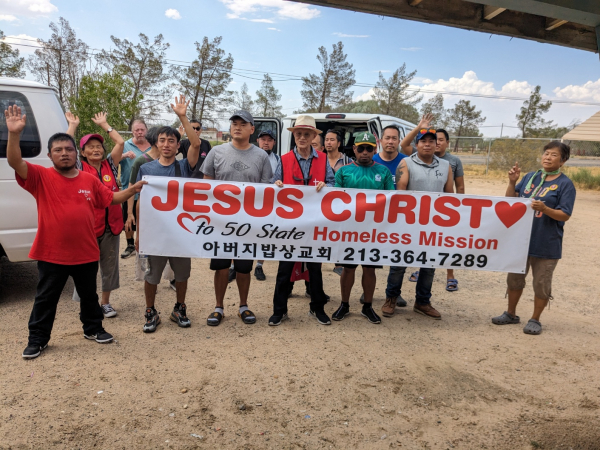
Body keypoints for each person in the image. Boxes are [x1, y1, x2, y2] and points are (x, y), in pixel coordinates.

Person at [5, 105, 145, 359]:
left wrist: (131, 190)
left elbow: (111, 199)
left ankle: (93, 329)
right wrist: (14, 134)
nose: (64, 154)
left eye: (69, 149)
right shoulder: (40, 176)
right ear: (50, 155)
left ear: (75, 153)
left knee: (89, 296)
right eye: (58, 150)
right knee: (45, 299)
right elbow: (15, 161)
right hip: (51, 253)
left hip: (86, 252)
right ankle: (37, 340)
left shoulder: (89, 180)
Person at [492, 142, 576, 335]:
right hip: (520, 241)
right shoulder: (531, 177)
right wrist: (512, 182)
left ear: (563, 161)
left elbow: (565, 215)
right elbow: (511, 200)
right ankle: (511, 313)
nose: (547, 157)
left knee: (541, 284)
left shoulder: (565, 184)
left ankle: (535, 319)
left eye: (554, 155)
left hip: (546, 243)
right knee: (514, 279)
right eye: (546, 153)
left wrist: (545, 209)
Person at [200, 110, 273, 326]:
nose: (237, 127)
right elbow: (206, 187)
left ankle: (243, 306)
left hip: (248, 223)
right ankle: (218, 307)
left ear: (252, 129)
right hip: (221, 222)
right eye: (234, 123)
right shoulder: (216, 152)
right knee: (221, 267)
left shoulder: (261, 156)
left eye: (243, 124)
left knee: (244, 267)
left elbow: (265, 191)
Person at [135, 96, 200, 333]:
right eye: (162, 140)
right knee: (151, 276)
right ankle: (151, 311)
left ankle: (179, 308)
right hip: (155, 232)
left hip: (181, 231)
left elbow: (195, 146)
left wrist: (182, 115)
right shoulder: (146, 169)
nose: (166, 144)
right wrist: (139, 234)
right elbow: (141, 202)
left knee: (182, 274)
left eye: (171, 141)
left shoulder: (184, 166)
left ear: (176, 144)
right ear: (156, 143)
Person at [268, 115, 334, 327]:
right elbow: (273, 184)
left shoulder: (323, 160)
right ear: (294, 135)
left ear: (314, 136)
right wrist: (276, 183)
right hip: (290, 224)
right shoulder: (284, 159)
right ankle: (279, 311)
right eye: (299, 134)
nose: (302, 137)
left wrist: (326, 185)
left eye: (307, 134)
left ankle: (317, 307)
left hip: (314, 223)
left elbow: (332, 185)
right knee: (284, 269)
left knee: (315, 268)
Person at [65, 112, 126, 318]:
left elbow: (120, 141)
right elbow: (65, 148)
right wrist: (72, 126)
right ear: (82, 152)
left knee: (109, 265)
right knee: (85, 267)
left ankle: (106, 303)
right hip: (88, 227)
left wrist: (105, 124)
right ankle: (86, 303)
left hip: (112, 225)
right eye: (90, 147)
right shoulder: (79, 168)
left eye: (98, 146)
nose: (95, 149)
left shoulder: (110, 164)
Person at [332, 132, 395, 324]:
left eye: (369, 148)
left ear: (375, 150)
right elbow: (334, 201)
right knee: (348, 269)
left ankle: (367, 307)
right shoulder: (343, 172)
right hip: (349, 230)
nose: (365, 152)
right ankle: (344, 304)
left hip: (373, 231)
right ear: (354, 149)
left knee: (369, 269)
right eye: (361, 148)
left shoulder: (383, 172)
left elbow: (391, 200)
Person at [391, 127, 454, 320]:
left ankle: (423, 302)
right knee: (399, 263)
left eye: (431, 141)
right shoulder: (405, 163)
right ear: (416, 144)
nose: (427, 144)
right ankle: (391, 298)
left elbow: (449, 196)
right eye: (423, 141)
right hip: (408, 224)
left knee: (429, 264)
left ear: (437, 145)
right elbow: (400, 194)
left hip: (433, 225)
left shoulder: (446, 166)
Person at [401, 114, 466, 291]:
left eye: (437, 140)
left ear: (445, 142)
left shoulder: (450, 163)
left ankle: (442, 282)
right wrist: (419, 126)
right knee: (408, 252)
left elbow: (455, 190)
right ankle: (401, 287)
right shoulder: (411, 159)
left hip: (436, 217)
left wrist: (457, 212)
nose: (432, 143)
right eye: (426, 140)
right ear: (419, 144)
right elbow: (404, 145)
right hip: (413, 217)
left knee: (435, 252)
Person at [120, 119, 151, 259]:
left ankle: (145, 245)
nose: (139, 132)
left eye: (142, 129)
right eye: (136, 130)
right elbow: (110, 159)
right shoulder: (126, 145)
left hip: (150, 192)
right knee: (129, 220)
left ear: (146, 130)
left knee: (147, 221)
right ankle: (130, 244)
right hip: (130, 190)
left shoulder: (153, 145)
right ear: (132, 131)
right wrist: (124, 155)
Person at [253, 129, 280, 282]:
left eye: (269, 140)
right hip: (250, 201)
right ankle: (233, 266)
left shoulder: (278, 159)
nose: (266, 142)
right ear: (258, 141)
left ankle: (259, 265)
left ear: (274, 142)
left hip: (268, 203)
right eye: (263, 139)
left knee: (264, 234)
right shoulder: (250, 156)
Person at [324, 129, 351, 276]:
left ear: (339, 143)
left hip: (342, 205)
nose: (328, 142)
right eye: (326, 140)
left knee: (340, 232)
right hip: (322, 205)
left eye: (332, 140)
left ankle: (339, 262)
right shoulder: (319, 160)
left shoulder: (348, 162)